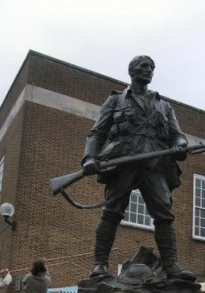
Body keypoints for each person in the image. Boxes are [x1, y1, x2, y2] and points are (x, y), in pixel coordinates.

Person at [81, 55, 195, 281]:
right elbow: (97, 133)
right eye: (144, 66)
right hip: (123, 162)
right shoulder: (115, 100)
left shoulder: (164, 105)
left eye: (152, 68)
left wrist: (181, 145)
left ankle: (171, 265)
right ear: (132, 71)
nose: (149, 70)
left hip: (155, 165)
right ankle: (100, 265)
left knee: (164, 215)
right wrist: (89, 159)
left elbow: (177, 135)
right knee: (112, 212)